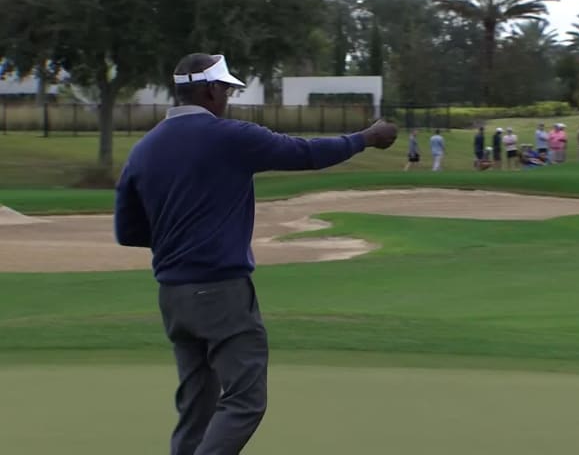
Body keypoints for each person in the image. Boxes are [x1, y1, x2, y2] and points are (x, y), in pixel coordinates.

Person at [113, 52, 397, 455]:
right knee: (245, 401)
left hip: (173, 296)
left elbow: (128, 231)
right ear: (210, 90)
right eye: (226, 89)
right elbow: (305, 153)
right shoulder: (230, 137)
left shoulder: (144, 149)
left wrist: (180, 240)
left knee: (197, 406)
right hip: (222, 293)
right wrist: (366, 138)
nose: (227, 97)